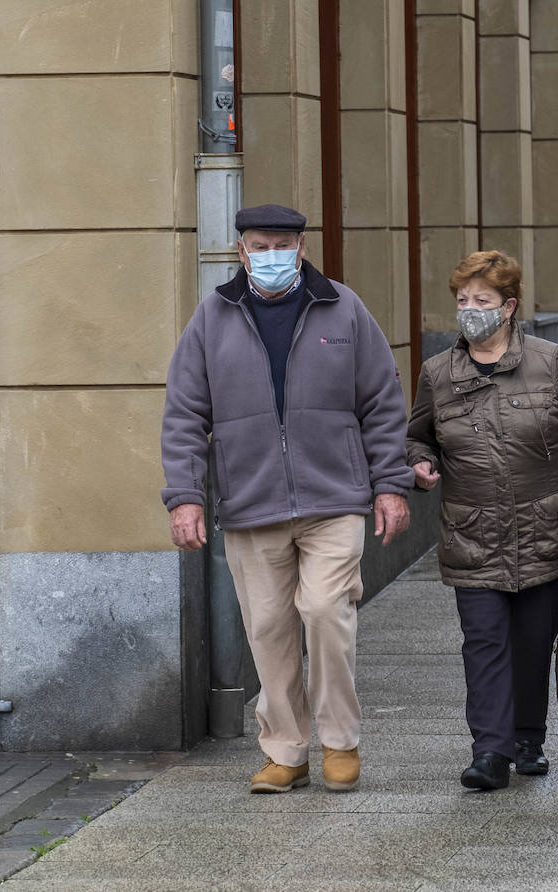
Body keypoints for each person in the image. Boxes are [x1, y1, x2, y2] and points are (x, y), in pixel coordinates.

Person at [160, 204, 413, 793]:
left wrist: (390, 485)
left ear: (300, 250)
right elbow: (183, 415)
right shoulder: (213, 318)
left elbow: (381, 401)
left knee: (326, 612)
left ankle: (339, 741)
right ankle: (287, 751)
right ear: (241, 251)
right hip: (252, 503)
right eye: (257, 245)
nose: (269, 255)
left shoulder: (342, 309)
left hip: (333, 497)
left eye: (281, 245)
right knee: (269, 629)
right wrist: (185, 498)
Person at [406, 251, 558, 790]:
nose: (470, 310)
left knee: (530, 641)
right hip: (471, 531)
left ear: (510, 306)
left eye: (483, 301)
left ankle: (527, 737)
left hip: (546, 528)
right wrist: (420, 463)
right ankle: (489, 752)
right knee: (485, 641)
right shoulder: (437, 374)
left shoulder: (550, 363)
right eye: (463, 301)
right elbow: (416, 436)